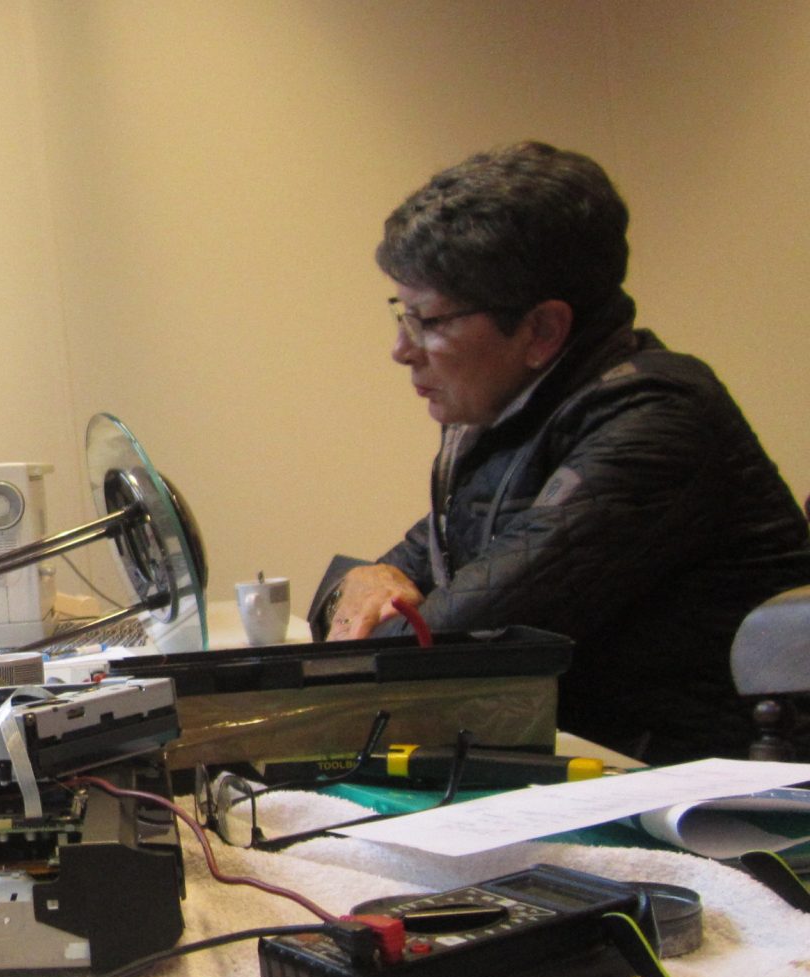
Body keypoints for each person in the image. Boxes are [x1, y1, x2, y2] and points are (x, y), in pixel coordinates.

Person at [318, 141, 810, 764]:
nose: (402, 349)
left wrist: (373, 604)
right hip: (600, 779)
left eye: (429, 321)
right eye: (401, 314)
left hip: (717, 813)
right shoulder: (512, 425)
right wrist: (362, 579)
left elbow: (452, 654)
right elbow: (360, 614)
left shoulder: (658, 422)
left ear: (543, 330)